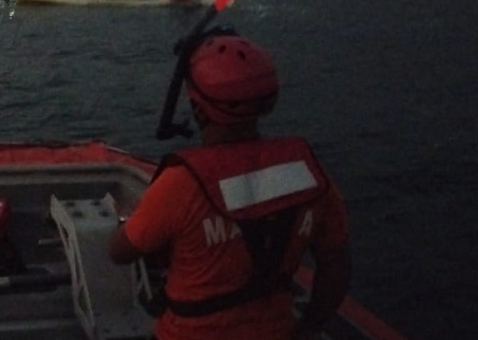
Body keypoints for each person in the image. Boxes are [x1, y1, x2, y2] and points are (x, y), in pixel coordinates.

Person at [108, 32, 350, 340]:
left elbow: (119, 252)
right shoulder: (309, 175)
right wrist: (308, 328)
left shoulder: (180, 185)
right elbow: (336, 267)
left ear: (199, 110)